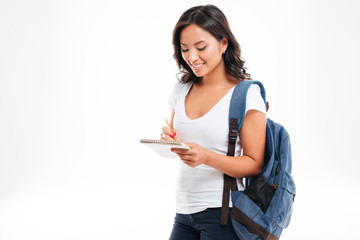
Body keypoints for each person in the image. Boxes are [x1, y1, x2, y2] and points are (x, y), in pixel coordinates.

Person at [161, 4, 267, 240]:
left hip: (224, 214)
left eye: (201, 47)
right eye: (185, 48)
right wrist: (170, 142)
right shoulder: (181, 90)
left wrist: (206, 157)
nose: (192, 57)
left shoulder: (246, 94)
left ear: (223, 43)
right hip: (184, 211)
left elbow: (254, 164)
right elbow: (175, 143)